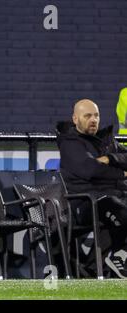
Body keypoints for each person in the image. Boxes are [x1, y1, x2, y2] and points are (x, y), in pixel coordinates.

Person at [56, 99, 127, 278]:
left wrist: (111, 158)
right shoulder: (70, 143)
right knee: (114, 205)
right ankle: (120, 256)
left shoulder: (105, 141)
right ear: (75, 119)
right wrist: (122, 174)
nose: (93, 119)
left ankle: (95, 268)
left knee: (116, 204)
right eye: (87, 116)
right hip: (84, 202)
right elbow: (89, 169)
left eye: (96, 115)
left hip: (113, 197)